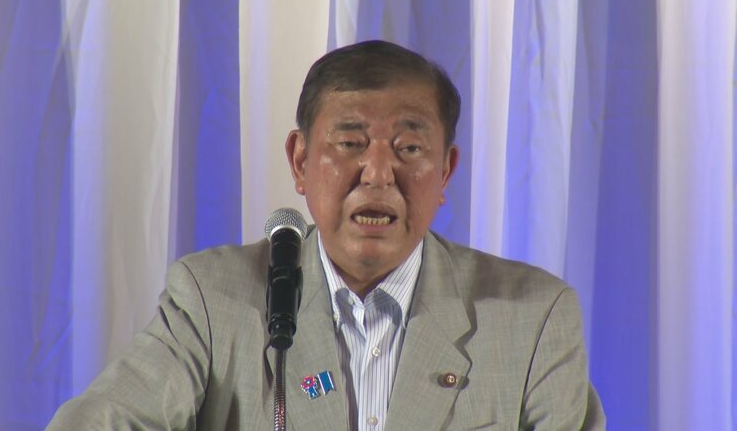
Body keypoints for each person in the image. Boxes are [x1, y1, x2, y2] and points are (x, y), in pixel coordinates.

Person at [48, 40, 605, 430]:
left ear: (445, 172)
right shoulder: (212, 300)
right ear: (300, 160)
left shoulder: (534, 318)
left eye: (409, 147)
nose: (378, 173)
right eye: (350, 142)